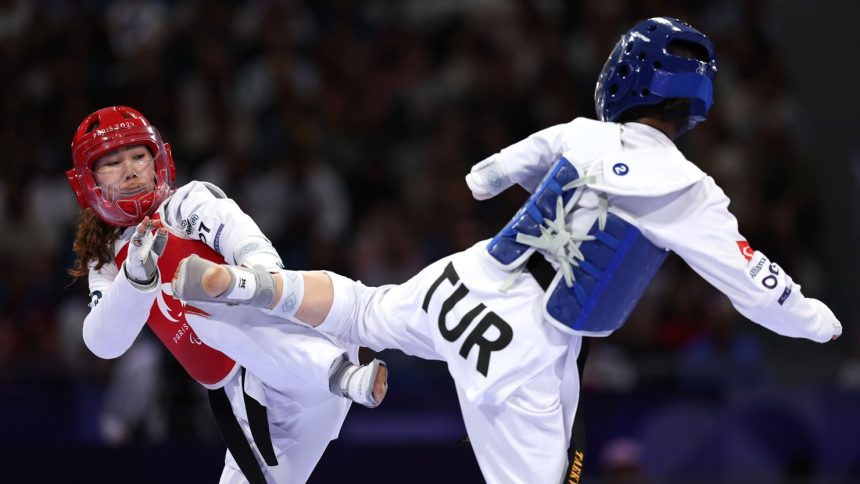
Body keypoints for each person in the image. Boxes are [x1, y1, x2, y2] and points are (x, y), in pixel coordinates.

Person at [173, 17, 842, 484]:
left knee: (362, 310)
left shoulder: (581, 132)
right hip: (521, 347)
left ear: (625, 78)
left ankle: (248, 285)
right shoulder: (691, 193)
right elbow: (763, 290)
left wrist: (487, 180)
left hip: (465, 280)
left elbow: (492, 172)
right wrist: (821, 321)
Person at [66, 106, 388, 484]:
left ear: (159, 161)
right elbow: (104, 343)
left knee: (203, 302)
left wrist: (253, 279)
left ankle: (342, 374)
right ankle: (338, 376)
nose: (131, 169)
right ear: (88, 182)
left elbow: (245, 241)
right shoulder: (106, 262)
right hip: (258, 408)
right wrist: (135, 278)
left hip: (303, 348)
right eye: (112, 163)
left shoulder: (187, 203)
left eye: (139, 156)